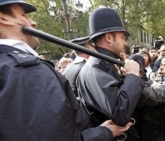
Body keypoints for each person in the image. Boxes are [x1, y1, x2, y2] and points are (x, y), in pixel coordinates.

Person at [0, 1, 133, 140]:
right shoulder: (23, 70)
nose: (33, 22)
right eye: (23, 15)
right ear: (3, 19)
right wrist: (104, 133)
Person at [76, 7, 145, 141]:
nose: (125, 42)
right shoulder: (95, 69)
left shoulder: (105, 63)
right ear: (109, 37)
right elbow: (120, 113)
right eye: (122, 37)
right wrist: (132, 76)